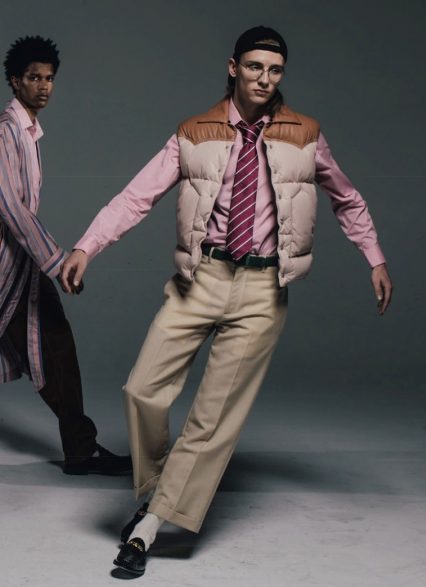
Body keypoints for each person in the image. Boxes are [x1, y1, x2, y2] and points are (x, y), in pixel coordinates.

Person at [61, 26, 393, 575]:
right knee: (142, 390)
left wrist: (374, 256)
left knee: (211, 419)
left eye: (275, 70)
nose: (265, 79)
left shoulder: (306, 134)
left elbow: (348, 199)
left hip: (262, 291)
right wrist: (87, 246)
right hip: (200, 279)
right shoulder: (194, 131)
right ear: (233, 67)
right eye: (255, 67)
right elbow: (136, 196)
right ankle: (162, 489)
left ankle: (148, 527)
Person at [0, 36, 131, 475]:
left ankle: (80, 448)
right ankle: (80, 448)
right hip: (7, 266)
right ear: (14, 81)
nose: (44, 87)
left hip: (21, 265)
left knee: (56, 344)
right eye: (33, 78)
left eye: (49, 78)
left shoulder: (28, 131)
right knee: (54, 345)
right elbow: (10, 207)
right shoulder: (5, 132)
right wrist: (56, 261)